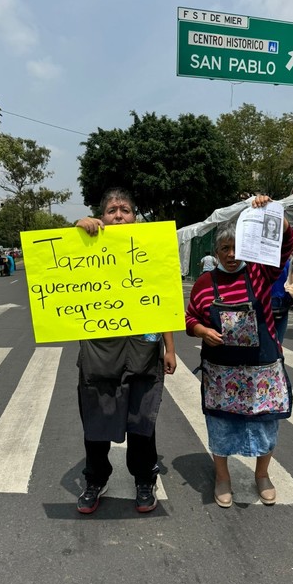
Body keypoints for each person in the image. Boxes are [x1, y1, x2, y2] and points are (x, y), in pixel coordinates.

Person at [185, 196, 293, 507]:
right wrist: (202, 331)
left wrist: (273, 212)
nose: (231, 255)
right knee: (220, 424)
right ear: (216, 253)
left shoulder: (262, 273)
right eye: (224, 249)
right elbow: (190, 317)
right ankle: (222, 477)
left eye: (237, 248)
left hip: (262, 367)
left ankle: (262, 474)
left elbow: (286, 243)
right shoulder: (205, 282)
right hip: (222, 371)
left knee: (266, 423)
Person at [75, 187, 177, 514]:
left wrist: (169, 348)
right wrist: (78, 227)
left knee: (142, 418)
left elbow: (164, 302)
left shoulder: (152, 250)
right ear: (101, 215)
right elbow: (57, 267)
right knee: (97, 415)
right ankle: (95, 479)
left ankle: (144, 479)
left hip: (143, 352)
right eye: (111, 210)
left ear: (135, 216)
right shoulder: (85, 249)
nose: (119, 215)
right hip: (99, 354)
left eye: (126, 209)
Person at [271, 244, 293, 344]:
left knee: (278, 341)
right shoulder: (263, 260)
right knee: (268, 341)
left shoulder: (287, 261)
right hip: (266, 303)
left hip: (283, 303)